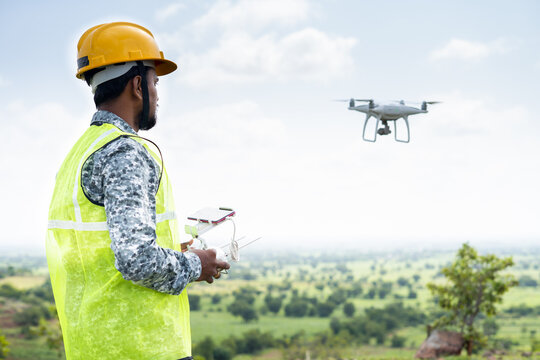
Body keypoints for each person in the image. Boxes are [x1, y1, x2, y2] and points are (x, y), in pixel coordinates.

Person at [46, 22, 229, 360]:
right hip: (141, 347)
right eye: (155, 82)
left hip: (95, 345)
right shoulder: (125, 152)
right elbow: (136, 260)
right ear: (137, 85)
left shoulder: (82, 151)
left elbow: (102, 248)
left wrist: (173, 249)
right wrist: (195, 264)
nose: (157, 94)